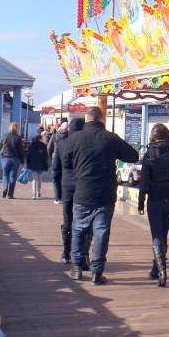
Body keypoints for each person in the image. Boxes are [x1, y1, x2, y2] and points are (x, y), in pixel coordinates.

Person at [65, 107, 139, 284]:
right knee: (101, 232)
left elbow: (65, 161)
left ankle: (76, 268)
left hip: (83, 191)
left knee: (79, 230)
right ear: (102, 119)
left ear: (87, 119)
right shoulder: (110, 138)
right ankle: (96, 273)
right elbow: (133, 156)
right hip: (105, 193)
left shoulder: (75, 138)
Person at [138, 123, 169, 287]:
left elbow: (144, 182)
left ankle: (162, 273)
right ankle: (156, 268)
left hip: (155, 197)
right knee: (164, 234)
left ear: (153, 136)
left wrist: (141, 201)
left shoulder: (149, 155)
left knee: (156, 235)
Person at [52, 117, 85, 263]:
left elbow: (56, 169)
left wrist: (57, 192)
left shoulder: (62, 144)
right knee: (83, 220)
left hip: (66, 186)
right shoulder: (85, 143)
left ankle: (66, 253)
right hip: (83, 186)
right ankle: (82, 254)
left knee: (67, 218)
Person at [0, 122, 24, 199]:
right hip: (15, 158)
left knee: (5, 174)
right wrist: (22, 159)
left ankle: (5, 187)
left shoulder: (4, 136)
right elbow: (20, 150)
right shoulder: (18, 137)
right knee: (13, 175)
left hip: (5, 157)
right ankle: (10, 194)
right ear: (17, 128)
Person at [49, 119, 70, 204]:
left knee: (56, 179)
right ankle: (64, 196)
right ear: (68, 128)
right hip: (67, 159)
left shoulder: (55, 135)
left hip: (56, 158)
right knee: (65, 177)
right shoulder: (70, 136)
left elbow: (49, 147)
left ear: (61, 127)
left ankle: (57, 197)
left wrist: (50, 157)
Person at [25, 133, 50, 200]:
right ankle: (38, 192)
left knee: (34, 179)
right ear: (40, 139)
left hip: (32, 164)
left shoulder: (31, 146)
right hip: (41, 164)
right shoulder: (43, 146)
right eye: (42, 138)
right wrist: (46, 165)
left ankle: (34, 193)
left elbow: (28, 156)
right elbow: (45, 157)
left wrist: (28, 164)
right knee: (39, 179)